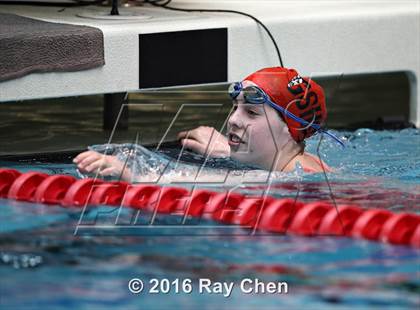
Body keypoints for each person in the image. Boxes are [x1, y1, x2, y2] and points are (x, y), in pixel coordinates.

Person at [74, 67, 341, 181]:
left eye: (252, 113)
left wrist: (135, 172)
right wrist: (226, 149)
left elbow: (220, 181)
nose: (233, 119)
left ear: (290, 129)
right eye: (235, 108)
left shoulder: (302, 179)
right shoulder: (295, 160)